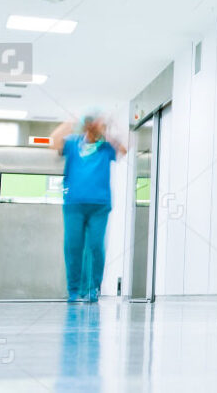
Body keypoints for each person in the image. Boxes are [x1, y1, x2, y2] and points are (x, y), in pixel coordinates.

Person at [52, 112, 126, 303]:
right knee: (73, 247)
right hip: (73, 204)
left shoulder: (106, 147)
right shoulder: (73, 143)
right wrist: (71, 122)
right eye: (93, 124)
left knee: (95, 246)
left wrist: (108, 126)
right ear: (86, 126)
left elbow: (124, 149)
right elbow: (54, 142)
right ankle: (74, 290)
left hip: (99, 205)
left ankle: (94, 288)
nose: (96, 127)